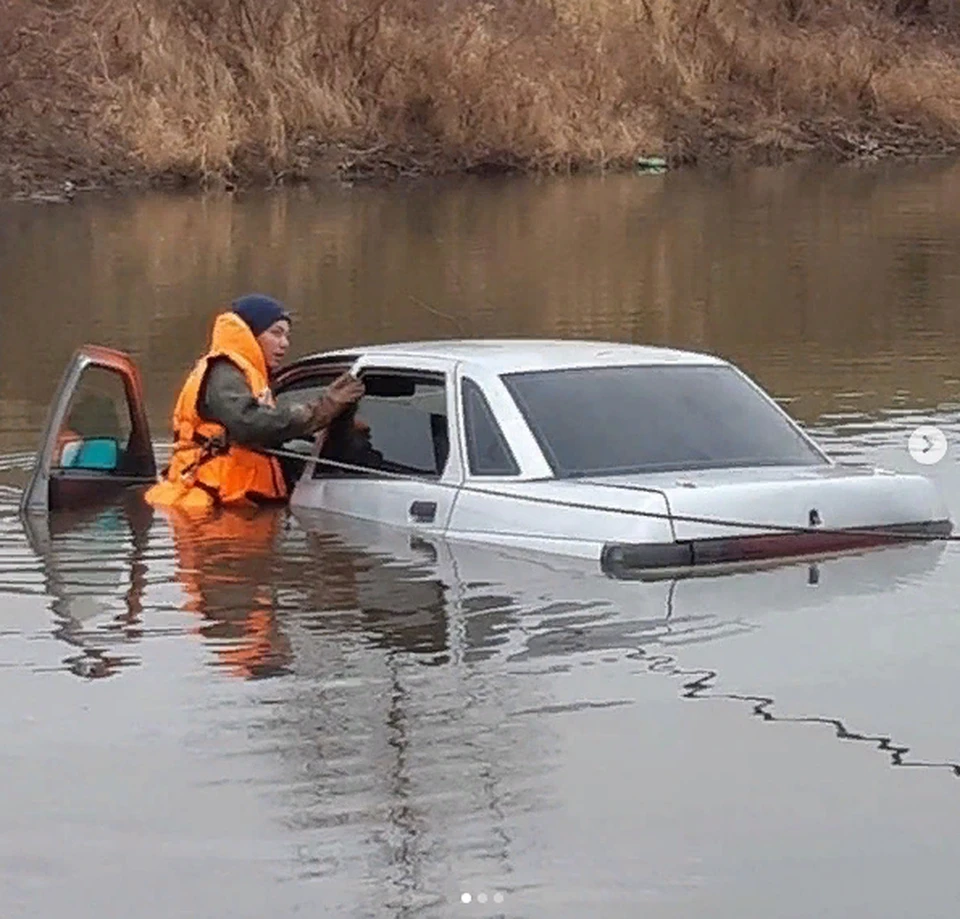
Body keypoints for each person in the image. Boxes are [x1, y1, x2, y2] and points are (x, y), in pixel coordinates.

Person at [144, 293, 364, 511]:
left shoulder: (247, 375)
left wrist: (336, 429)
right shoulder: (224, 371)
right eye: (276, 333)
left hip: (233, 504)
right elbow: (250, 424)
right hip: (213, 506)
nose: (284, 344)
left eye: (287, 336)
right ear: (250, 334)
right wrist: (323, 409)